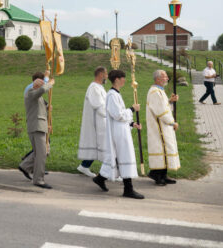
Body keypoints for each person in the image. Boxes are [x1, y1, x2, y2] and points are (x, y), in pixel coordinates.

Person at [92, 69, 144, 199]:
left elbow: (121, 114)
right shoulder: (111, 95)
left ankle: (100, 178)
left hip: (122, 129)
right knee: (124, 156)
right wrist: (132, 109)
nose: (124, 80)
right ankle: (128, 189)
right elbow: (118, 115)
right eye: (122, 78)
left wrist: (132, 124)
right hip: (118, 131)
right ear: (116, 79)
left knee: (117, 157)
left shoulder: (116, 94)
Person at [18, 72, 54, 189]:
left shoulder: (38, 96)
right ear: (36, 82)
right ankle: (38, 180)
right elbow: (41, 91)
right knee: (41, 154)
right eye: (41, 81)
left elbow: (40, 108)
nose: (43, 83)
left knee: (41, 152)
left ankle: (25, 166)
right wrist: (50, 84)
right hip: (36, 126)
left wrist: (47, 108)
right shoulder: (30, 92)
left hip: (40, 126)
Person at [146, 70, 180, 186]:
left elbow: (164, 106)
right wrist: (172, 123)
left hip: (163, 126)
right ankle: (155, 174)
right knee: (161, 148)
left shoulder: (160, 91)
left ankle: (163, 175)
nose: (167, 78)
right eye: (164, 77)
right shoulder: (155, 92)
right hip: (158, 127)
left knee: (166, 148)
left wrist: (171, 101)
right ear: (158, 79)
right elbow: (161, 111)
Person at [77, 67, 108, 177]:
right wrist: (110, 113)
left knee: (97, 145)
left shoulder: (99, 87)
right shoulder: (94, 88)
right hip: (97, 122)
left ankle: (84, 166)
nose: (107, 77)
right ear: (100, 74)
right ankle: (108, 172)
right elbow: (99, 105)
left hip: (100, 121)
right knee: (105, 146)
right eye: (106, 74)